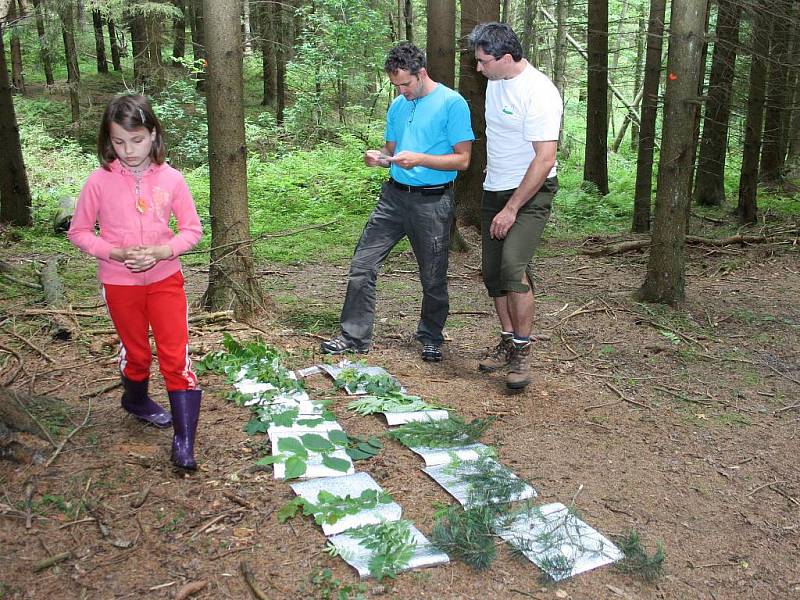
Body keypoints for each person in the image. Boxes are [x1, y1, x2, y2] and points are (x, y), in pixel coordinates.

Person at [68, 94, 203, 470]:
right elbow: (79, 232)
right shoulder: (98, 182)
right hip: (119, 283)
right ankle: (136, 399)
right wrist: (114, 252)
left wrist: (162, 251)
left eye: (137, 140)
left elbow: (192, 231)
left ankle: (184, 441)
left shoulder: (172, 179)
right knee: (138, 353)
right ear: (107, 141)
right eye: (118, 142)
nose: (128, 150)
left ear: (153, 134)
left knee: (175, 356)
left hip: (165, 280)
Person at [320, 42, 474, 362]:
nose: (401, 91)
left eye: (405, 83)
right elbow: (390, 152)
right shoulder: (398, 106)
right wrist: (377, 158)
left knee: (433, 276)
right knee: (362, 264)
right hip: (393, 198)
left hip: (432, 202)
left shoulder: (452, 103)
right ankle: (354, 336)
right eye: (395, 85)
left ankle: (431, 336)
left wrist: (420, 158)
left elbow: (463, 160)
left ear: (422, 73)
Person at [468, 23, 562, 390]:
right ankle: (508, 341)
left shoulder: (540, 92)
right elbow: (500, 132)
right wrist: (497, 164)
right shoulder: (496, 81)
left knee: (512, 268)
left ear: (506, 58)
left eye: (483, 61)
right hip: (495, 187)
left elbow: (544, 159)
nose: (479, 69)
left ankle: (523, 351)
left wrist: (511, 209)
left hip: (531, 193)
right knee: (492, 273)